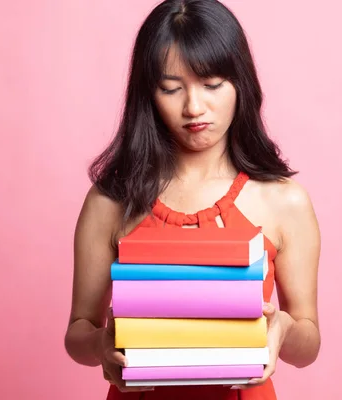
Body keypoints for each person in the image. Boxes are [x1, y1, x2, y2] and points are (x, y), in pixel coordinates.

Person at [64, 0, 321, 399]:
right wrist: (100, 345)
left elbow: (308, 347)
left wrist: (283, 329)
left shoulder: (284, 201)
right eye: (170, 88)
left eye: (212, 84)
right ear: (147, 94)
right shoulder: (109, 200)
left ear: (241, 83)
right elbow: (78, 329)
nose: (193, 107)